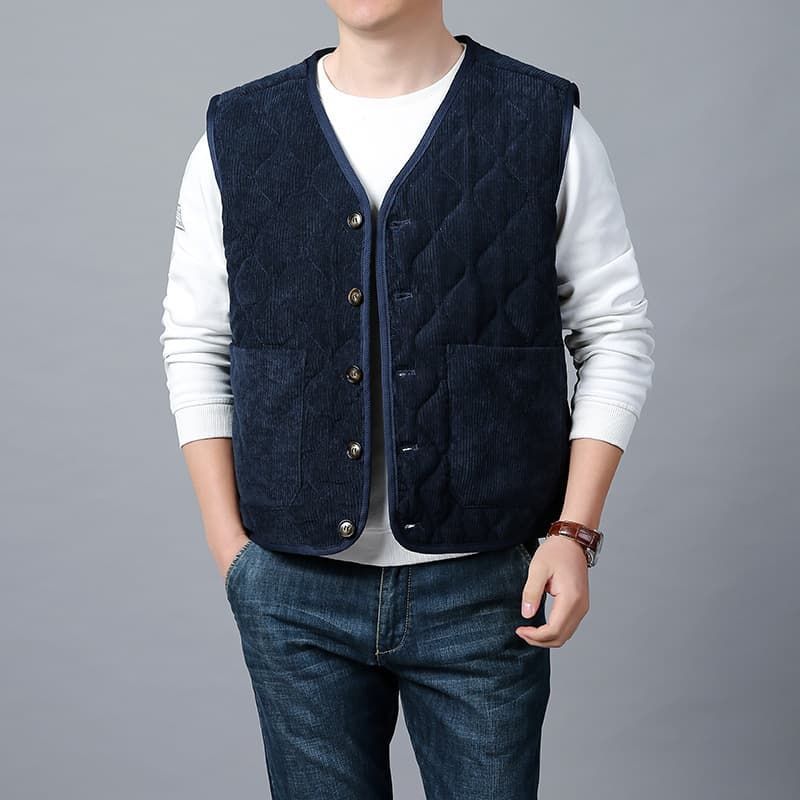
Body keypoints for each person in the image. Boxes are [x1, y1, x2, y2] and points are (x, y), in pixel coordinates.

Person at [159, 4, 655, 798]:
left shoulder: (543, 120)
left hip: (486, 588)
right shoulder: (239, 131)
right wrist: (234, 556)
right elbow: (196, 343)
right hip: (293, 590)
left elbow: (615, 334)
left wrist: (573, 532)